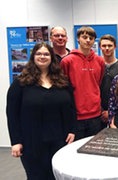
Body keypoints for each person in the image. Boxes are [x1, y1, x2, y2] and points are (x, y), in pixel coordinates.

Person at [6, 42, 76, 180]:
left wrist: (72, 130)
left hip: (59, 139)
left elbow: (71, 108)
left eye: (46, 54)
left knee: (57, 175)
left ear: (51, 57)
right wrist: (16, 141)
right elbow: (12, 115)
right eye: (39, 54)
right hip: (31, 141)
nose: (42, 56)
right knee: (37, 176)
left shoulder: (62, 81)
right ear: (33, 57)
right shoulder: (20, 83)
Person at [60, 26, 105, 140]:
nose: (88, 40)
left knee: (94, 149)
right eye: (84, 37)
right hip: (76, 115)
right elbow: (64, 87)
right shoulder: (67, 61)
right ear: (78, 39)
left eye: (91, 38)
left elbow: (98, 83)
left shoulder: (99, 61)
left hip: (95, 114)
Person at [99, 34, 118, 126]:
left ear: (115, 47)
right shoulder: (96, 65)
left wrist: (111, 111)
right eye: (104, 46)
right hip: (98, 113)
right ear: (100, 47)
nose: (107, 48)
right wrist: (100, 110)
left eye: (110, 45)